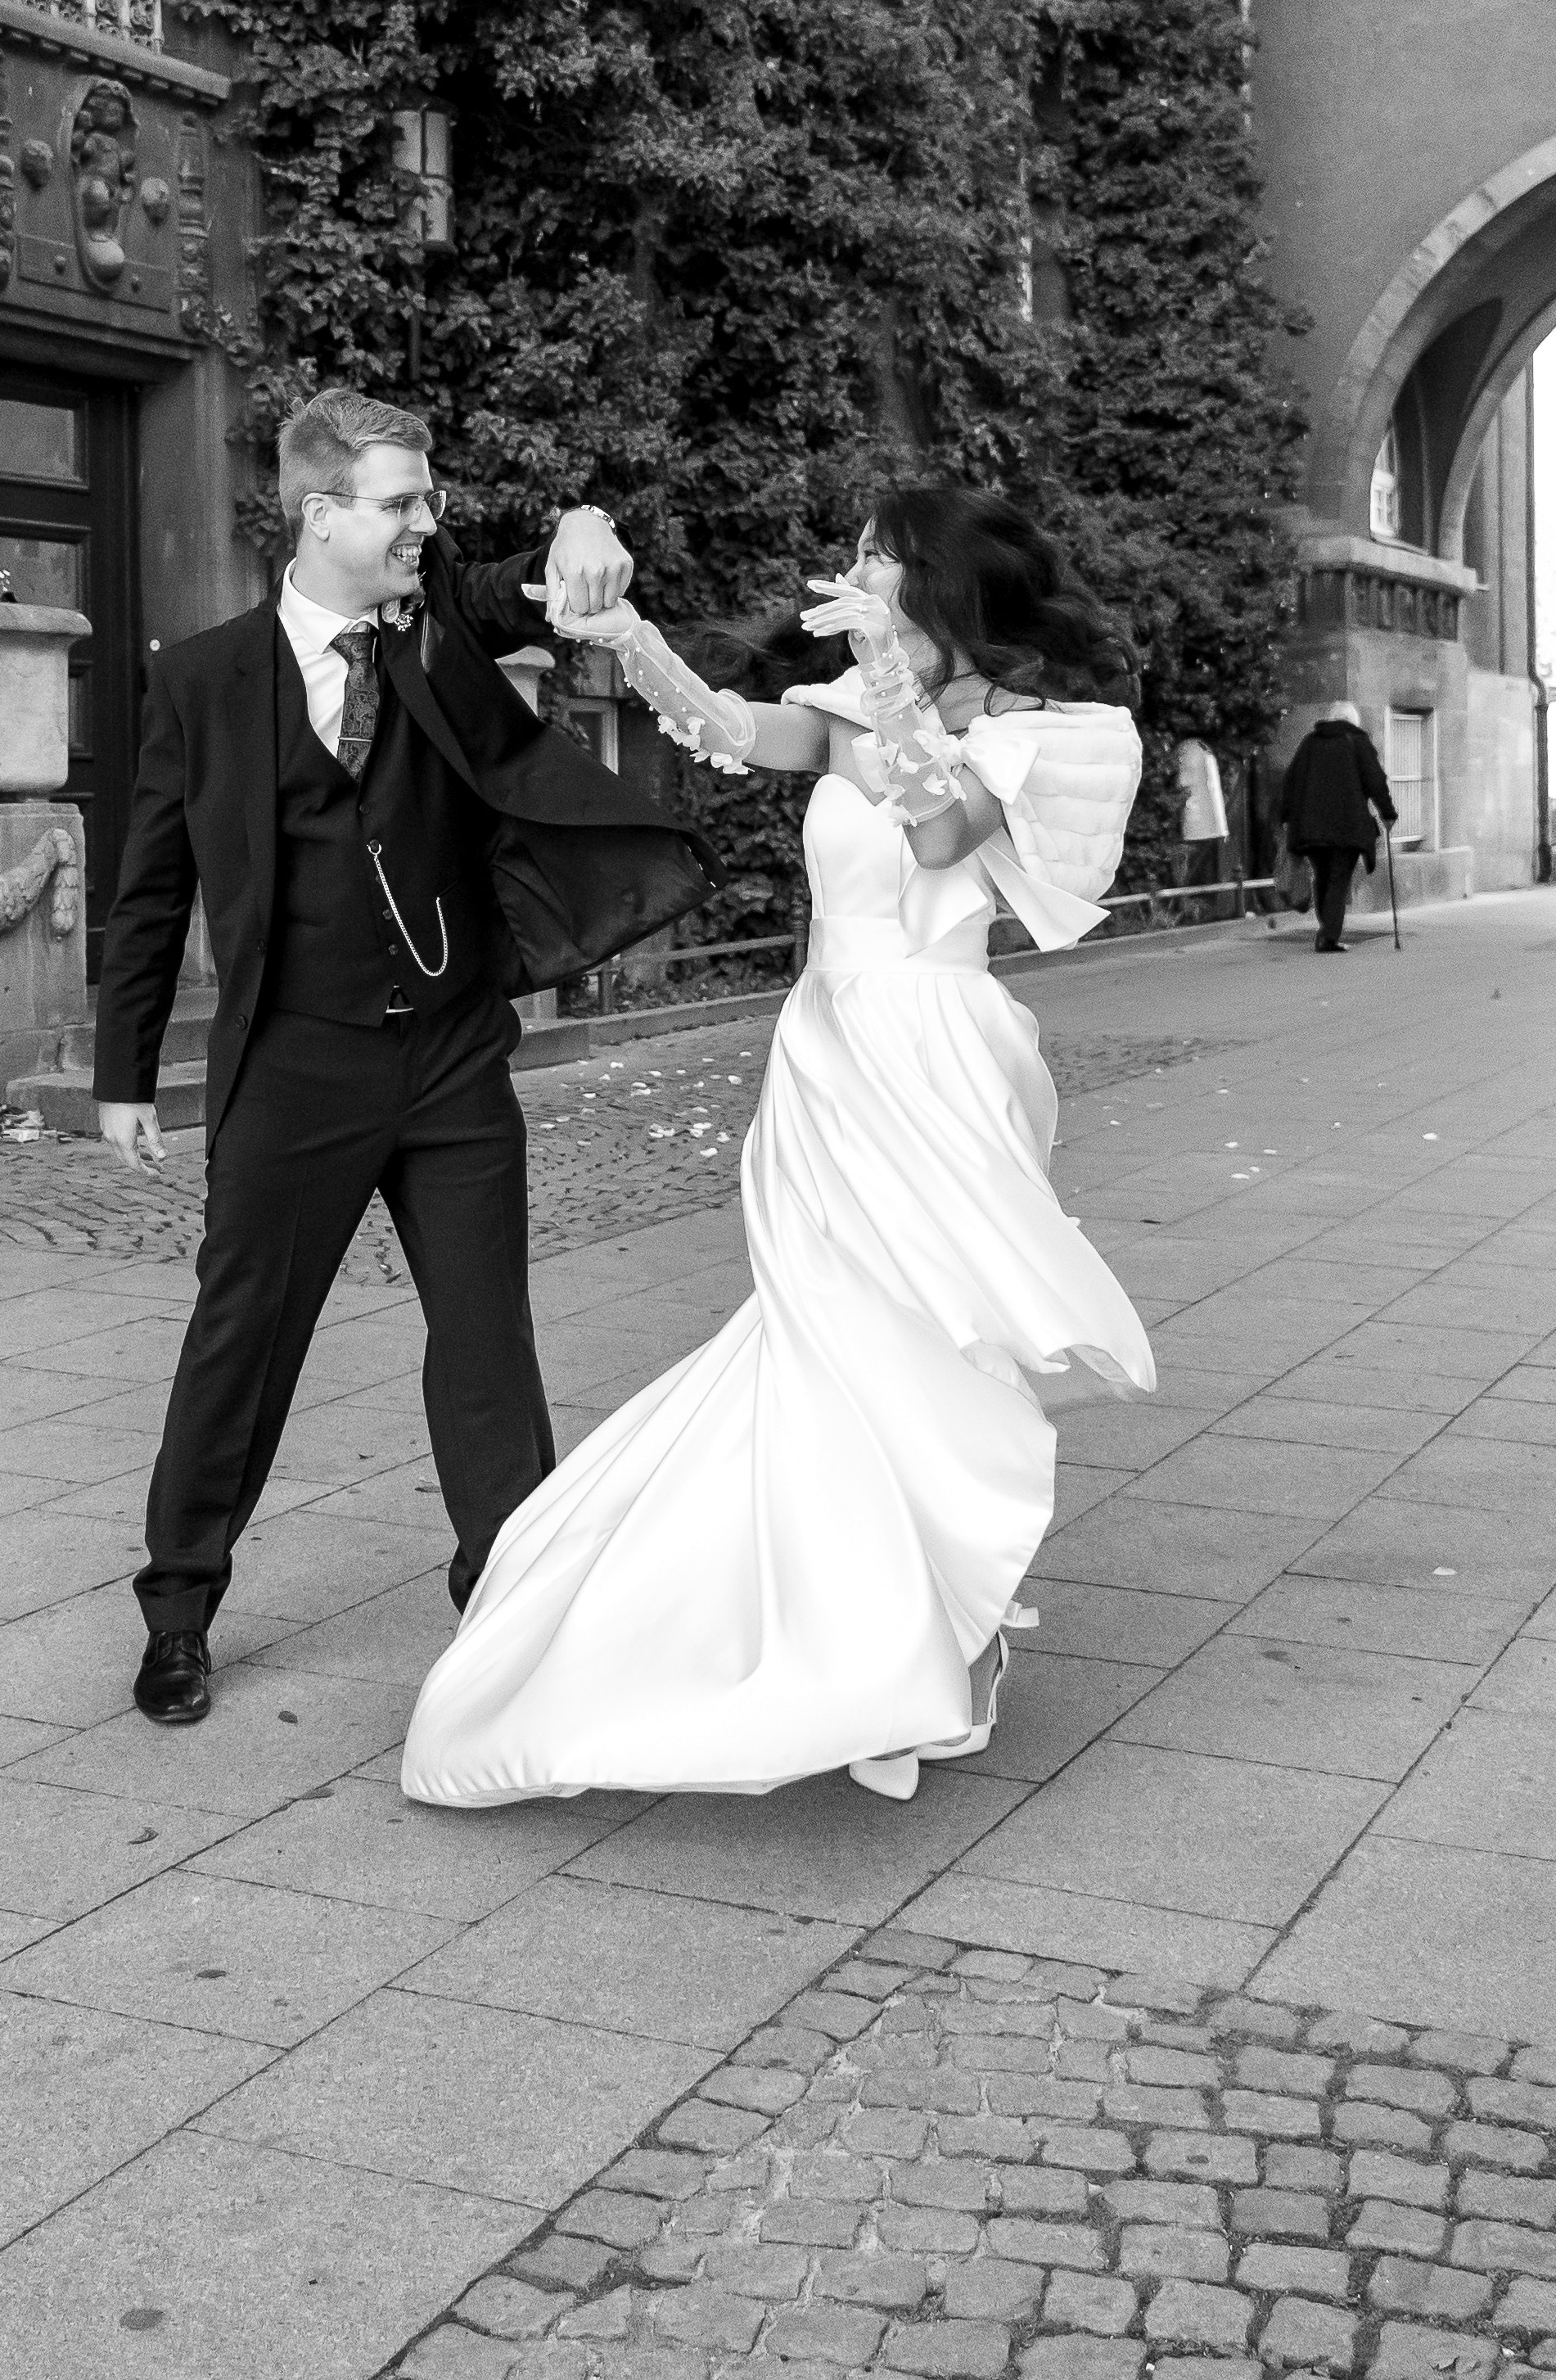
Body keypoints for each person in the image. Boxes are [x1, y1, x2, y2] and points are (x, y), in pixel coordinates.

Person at [401, 484, 1156, 1811]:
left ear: (939, 584)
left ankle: (942, 1632)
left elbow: (936, 829)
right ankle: (880, 1632)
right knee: (826, 1343)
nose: (853, 570)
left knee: (922, 1345)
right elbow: (729, 726)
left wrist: (881, 666)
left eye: (881, 555)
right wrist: (628, 634)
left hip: (936, 1061)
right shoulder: (857, 712)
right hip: (826, 1063)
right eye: (861, 551)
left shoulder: (1044, 733)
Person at [92, 387, 716, 1728]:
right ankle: (180, 1605)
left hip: (447, 1061)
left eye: (428, 501)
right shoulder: (201, 679)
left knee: (488, 1337)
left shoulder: (435, 626)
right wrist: (123, 1074)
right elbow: (151, 891)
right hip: (293, 1065)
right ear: (322, 514)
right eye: (401, 502)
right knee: (241, 1340)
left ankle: (509, 1590)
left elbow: (527, 582)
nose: (426, 524)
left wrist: (586, 522)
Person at [1277, 699, 1396, 954]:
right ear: (1353, 721)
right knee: (1339, 879)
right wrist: (1388, 812)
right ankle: (1328, 936)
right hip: (1347, 827)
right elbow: (1376, 780)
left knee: (1323, 876)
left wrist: (1286, 815)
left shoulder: (1310, 743)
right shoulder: (1357, 741)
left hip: (1310, 827)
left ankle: (1326, 929)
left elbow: (1291, 780)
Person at [1174, 736, 1229, 892]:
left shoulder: (1188, 750)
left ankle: (1187, 902)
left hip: (1193, 820)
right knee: (1206, 870)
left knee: (1190, 867)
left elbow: (1182, 782)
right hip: (1211, 823)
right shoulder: (1203, 749)